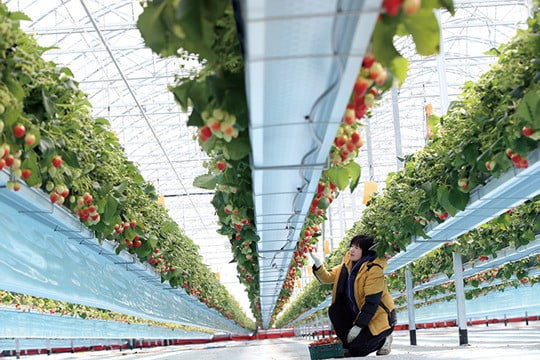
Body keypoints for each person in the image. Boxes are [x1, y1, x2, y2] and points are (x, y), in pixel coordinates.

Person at [310, 234, 396, 357]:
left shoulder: (373, 269)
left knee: (357, 351)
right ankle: (347, 343)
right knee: (335, 310)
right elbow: (327, 278)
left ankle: (383, 340)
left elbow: (372, 303)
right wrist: (318, 263)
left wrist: (358, 327)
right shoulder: (347, 265)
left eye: (357, 248)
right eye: (351, 246)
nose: (352, 250)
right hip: (359, 315)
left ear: (365, 251)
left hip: (379, 318)